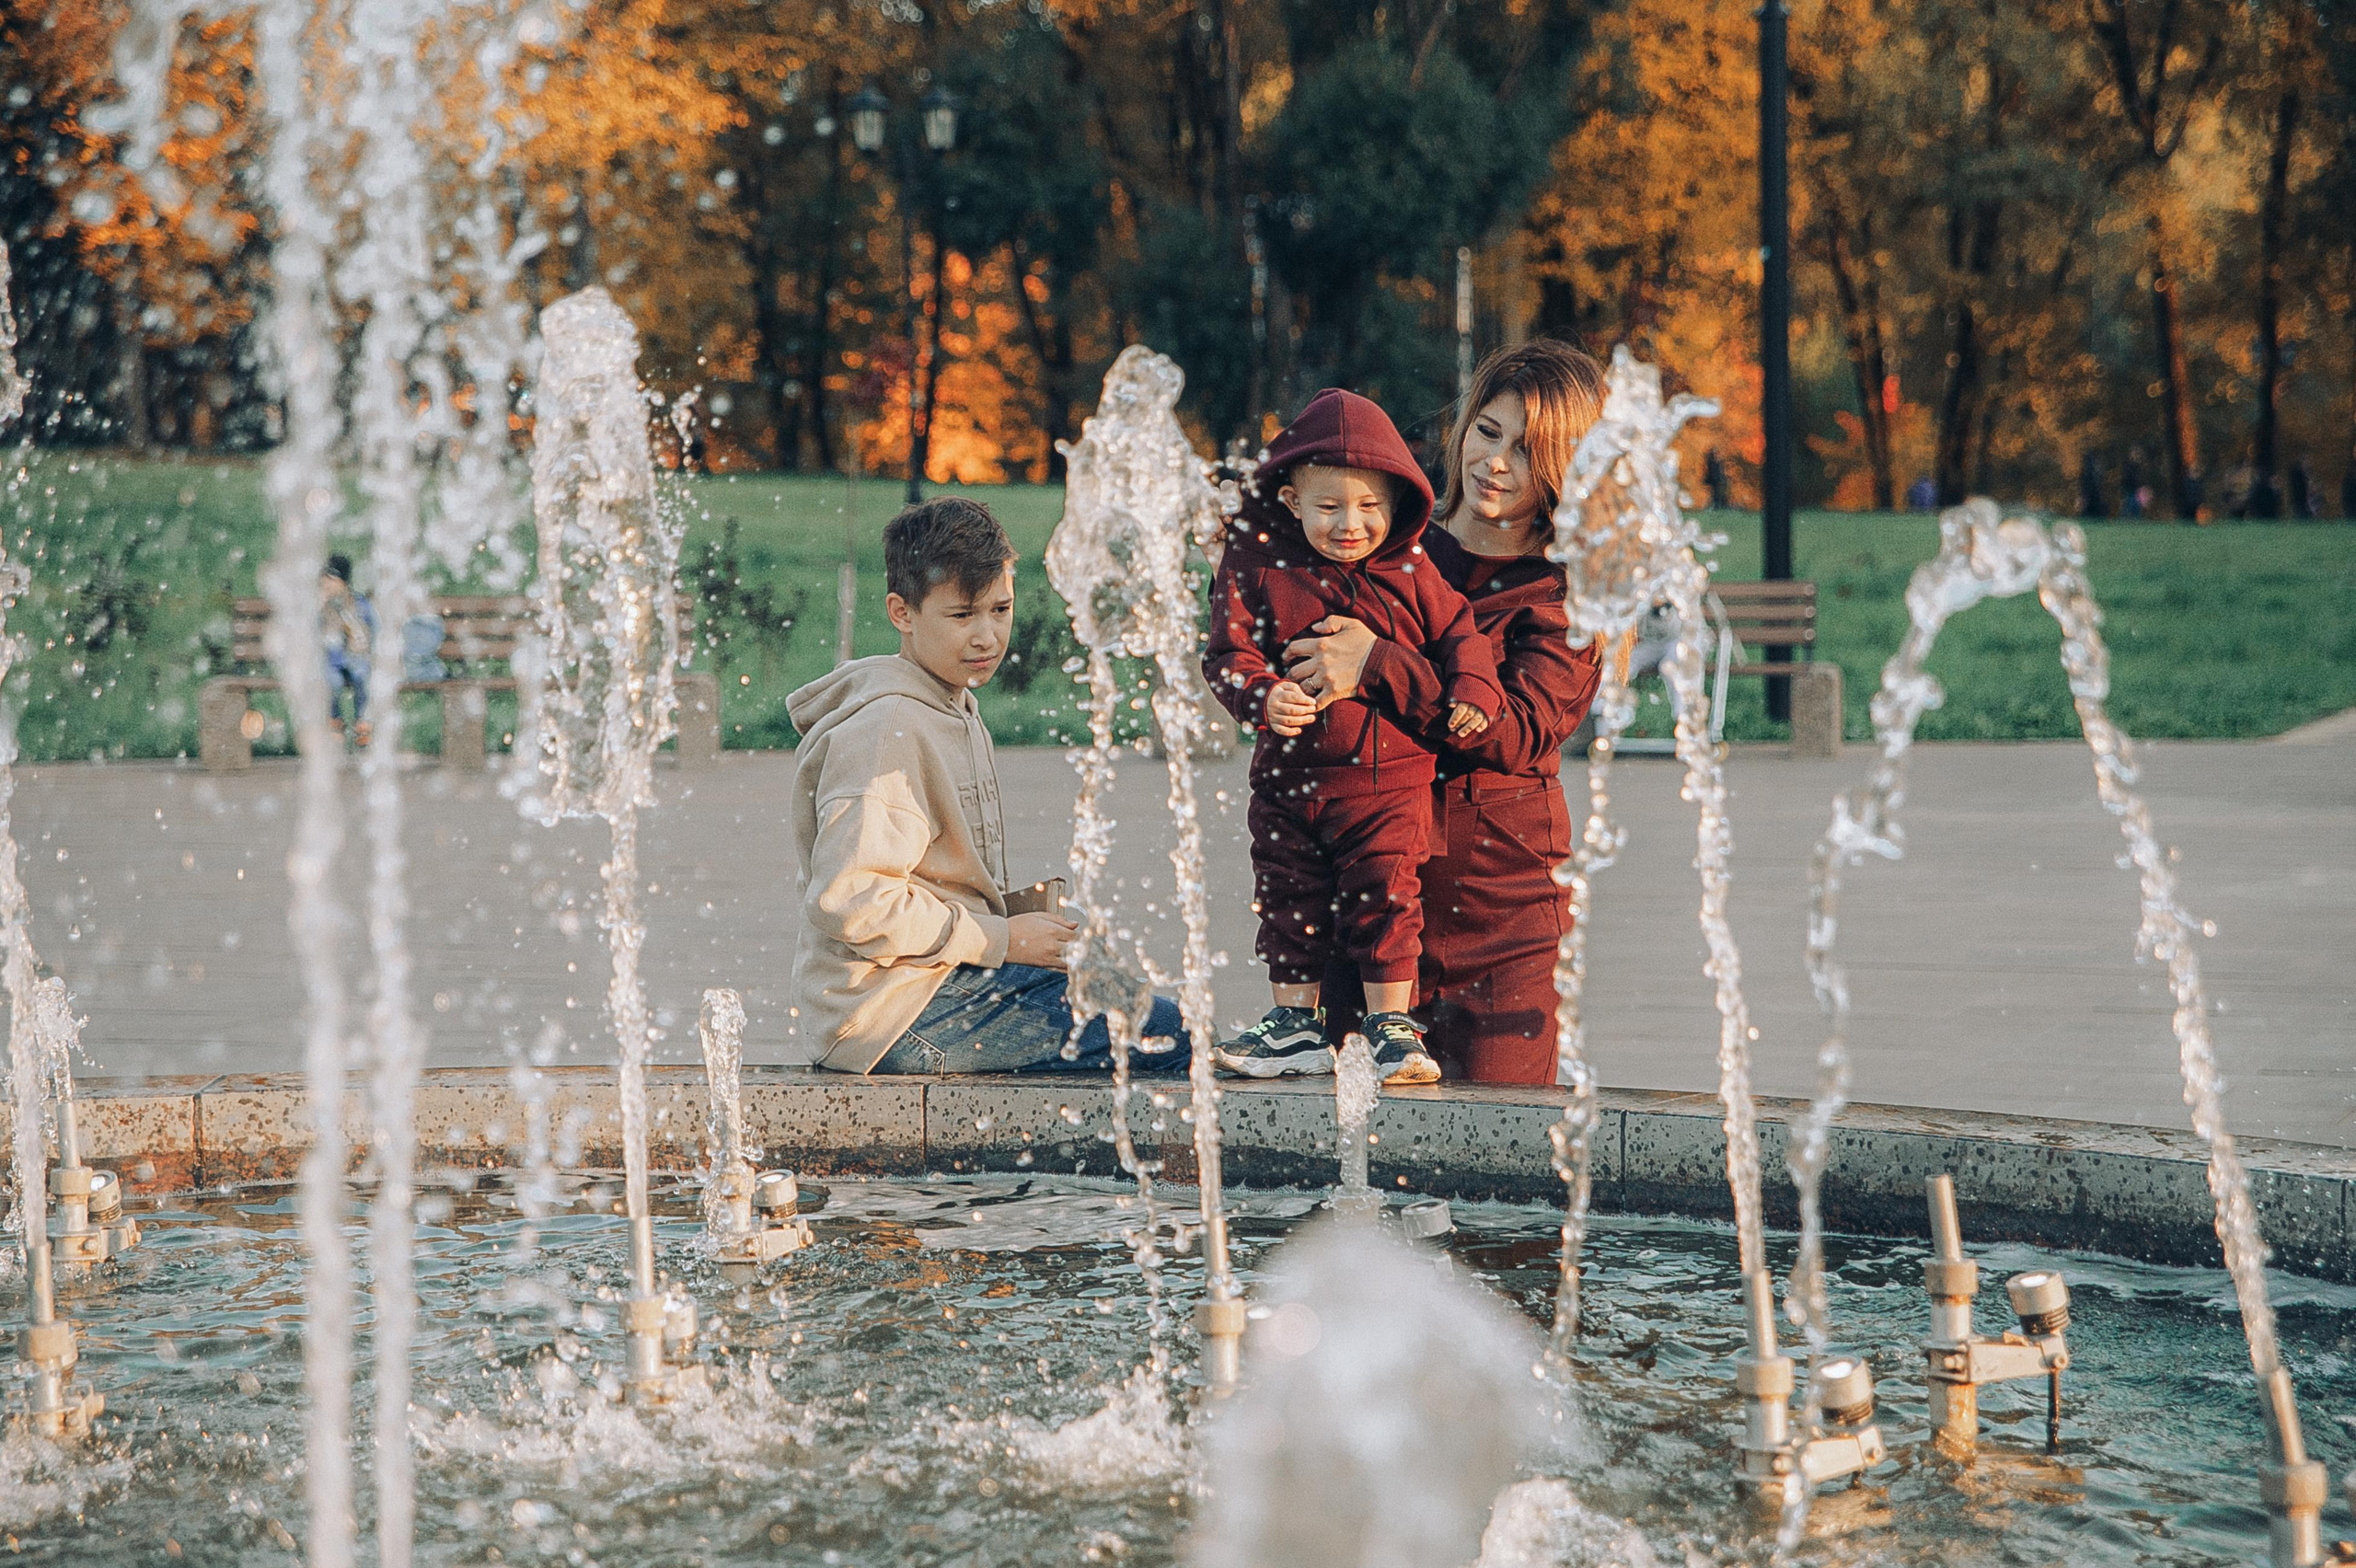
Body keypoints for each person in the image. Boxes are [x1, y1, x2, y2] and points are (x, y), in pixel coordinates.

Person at [1284, 340, 1608, 1085]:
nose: (1496, 462)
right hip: (1365, 913)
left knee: (1500, 1179)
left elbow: (1518, 732)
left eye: (1528, 451)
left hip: (1498, 932)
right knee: (1348, 1164)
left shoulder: (1565, 596)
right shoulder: (1386, 539)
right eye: (1488, 433)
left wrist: (1377, 665)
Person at [788, 497, 1187, 1076]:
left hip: (933, 983)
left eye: (1001, 609)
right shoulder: (886, 730)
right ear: (902, 612)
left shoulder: (952, 705)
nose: (987, 635)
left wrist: (1020, 926)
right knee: (1167, 1037)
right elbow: (850, 900)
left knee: (1138, 1007)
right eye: (962, 615)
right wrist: (1000, 939)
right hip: (888, 1014)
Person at [1202, 389, 1504, 1087]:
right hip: (1287, 783)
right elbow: (1226, 655)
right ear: (1291, 501)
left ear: (1397, 505)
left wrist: (1475, 695)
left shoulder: (1410, 571)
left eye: (1370, 507)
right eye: (1330, 506)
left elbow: (1462, 638)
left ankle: (1392, 1024)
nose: (1351, 524)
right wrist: (1262, 694)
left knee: (1387, 898)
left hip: (1387, 784)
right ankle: (1295, 1023)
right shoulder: (1258, 569)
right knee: (1286, 898)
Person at [320, 554, 374, 746]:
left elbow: (371, 630)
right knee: (330, 680)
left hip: (355, 658)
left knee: (362, 674)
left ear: (343, 582)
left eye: (331, 579)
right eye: (323, 579)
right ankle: (335, 720)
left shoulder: (357, 603)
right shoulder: (321, 605)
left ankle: (362, 721)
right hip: (332, 662)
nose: (326, 584)